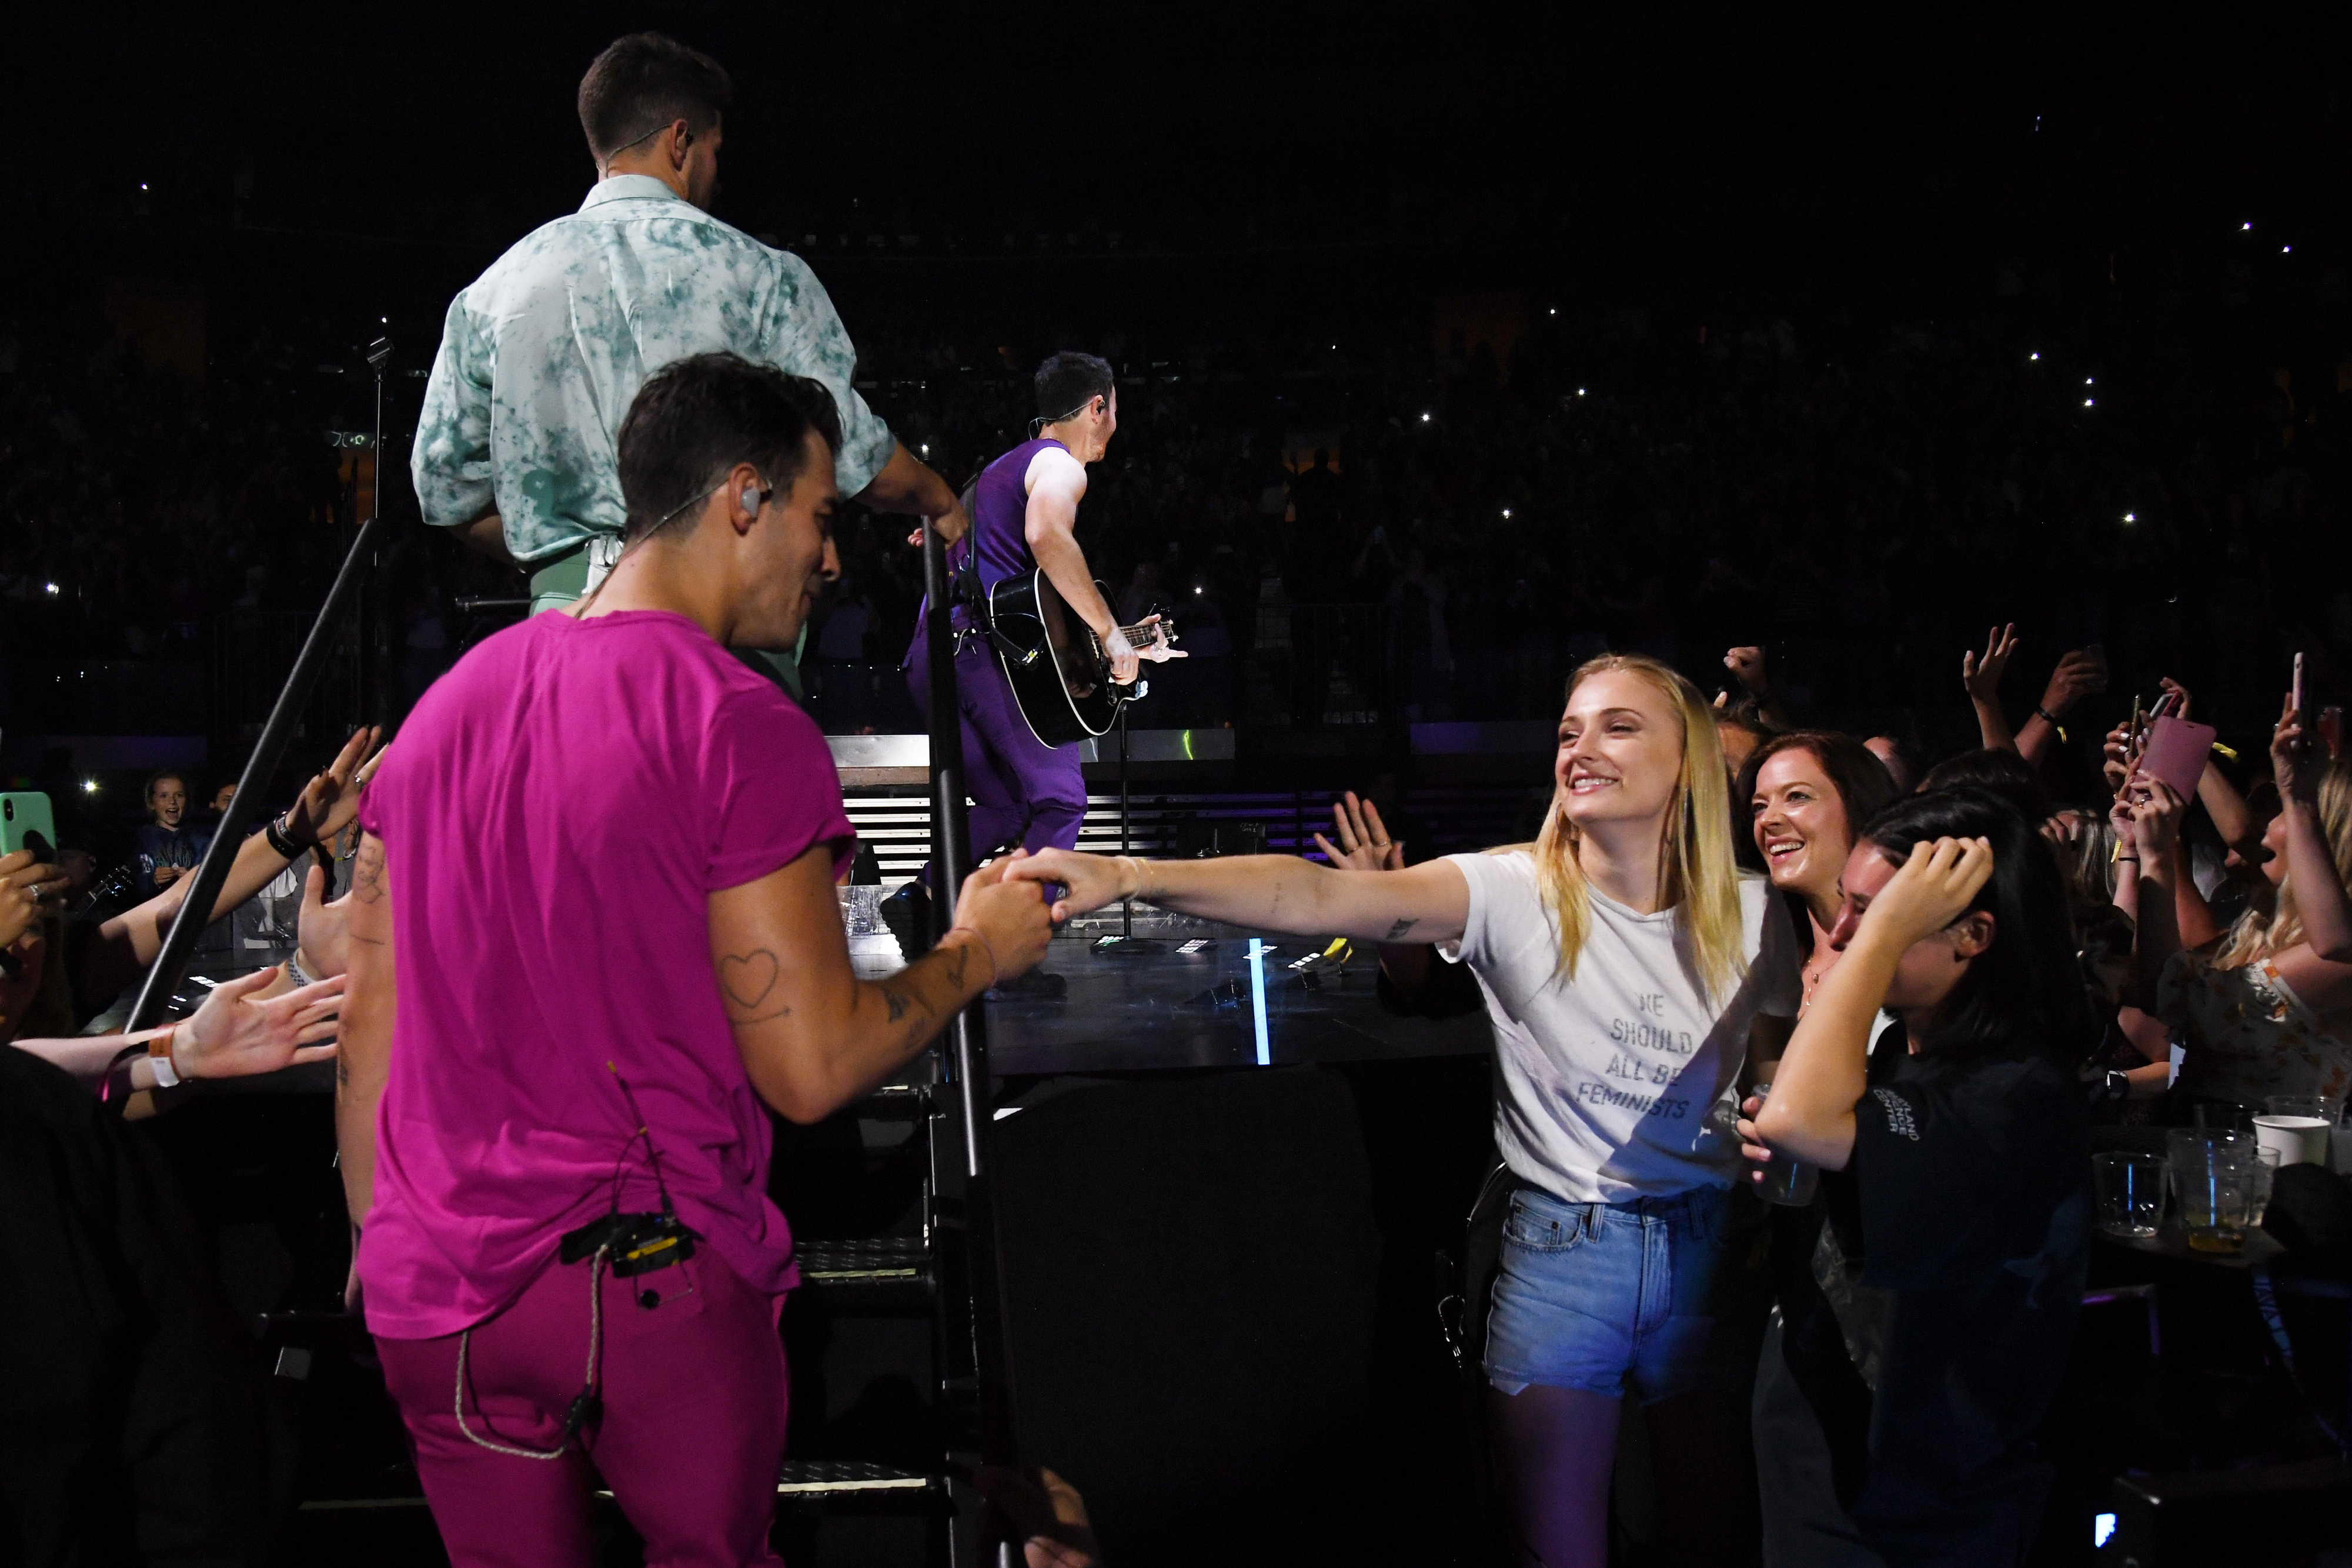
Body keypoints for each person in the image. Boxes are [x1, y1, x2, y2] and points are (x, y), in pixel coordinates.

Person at [338, 352, 1053, 1567]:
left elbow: (370, 1029)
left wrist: (380, 1243)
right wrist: (977, 952)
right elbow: (816, 1066)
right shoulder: (738, 722)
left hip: (439, 1295)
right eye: (820, 519)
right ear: (742, 498)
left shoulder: (447, 707)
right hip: (643, 1287)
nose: (832, 560)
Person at [1010, 653, 1801, 1568]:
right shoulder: (1515, 889)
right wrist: (1132, 873)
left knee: (1716, 1544)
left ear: (1687, 760)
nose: (1581, 747)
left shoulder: (1751, 911)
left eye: (1619, 726)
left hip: (1707, 1254)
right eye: (1569, 730)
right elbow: (1317, 895)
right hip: (1563, 1259)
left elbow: (1776, 1090)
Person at [410, 31, 971, 700]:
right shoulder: (761, 276)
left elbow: (442, 490)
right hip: (727, 651)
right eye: (713, 149)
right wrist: (940, 499)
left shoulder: (493, 294)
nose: (715, 168)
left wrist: (563, 557)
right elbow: (850, 453)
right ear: (680, 140)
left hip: (564, 647)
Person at [1737, 790, 2095, 1567]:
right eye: (1850, 909)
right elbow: (1800, 1138)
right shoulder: (1903, 1049)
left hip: (1920, 1516)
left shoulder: (2013, 1092)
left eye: (1874, 913)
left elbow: (1798, 1117)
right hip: (1826, 1477)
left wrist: (1881, 936)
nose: (1842, 933)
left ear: (1974, 935)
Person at [885, 352, 1180, 993]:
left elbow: (1017, 590)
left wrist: (1124, 642)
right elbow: (1048, 537)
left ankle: (922, 899)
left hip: (931, 655)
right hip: (985, 658)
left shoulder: (992, 473)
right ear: (1097, 407)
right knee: (1062, 799)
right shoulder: (1057, 465)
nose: (1113, 428)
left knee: (1009, 803)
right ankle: (1008, 947)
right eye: (1114, 412)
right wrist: (1109, 631)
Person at [2129, 694, 2352, 1114]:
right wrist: (2154, 840)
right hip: (2205, 1150)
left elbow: (2182, 1003)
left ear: (2330, 833)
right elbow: (2172, 979)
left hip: (2272, 1170)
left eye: (2281, 807)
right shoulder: (2264, 926)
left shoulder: (2341, 955)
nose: (2264, 825)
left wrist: (2160, 853)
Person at [133, 771, 209, 896]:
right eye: (164, 796)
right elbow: (132, 881)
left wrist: (194, 880)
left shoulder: (201, 841)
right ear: (152, 803)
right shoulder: (141, 839)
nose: (172, 802)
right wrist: (152, 881)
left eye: (179, 795)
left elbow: (212, 882)